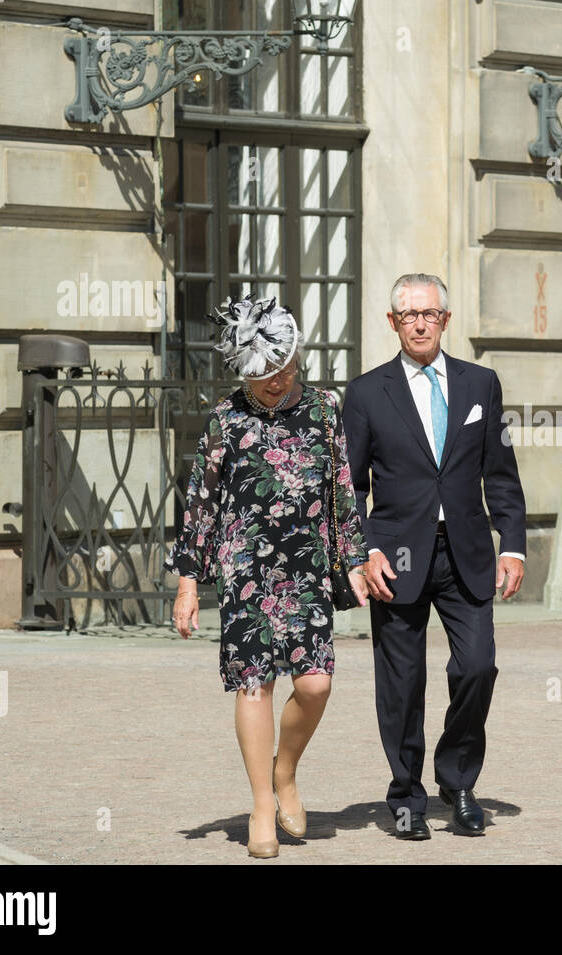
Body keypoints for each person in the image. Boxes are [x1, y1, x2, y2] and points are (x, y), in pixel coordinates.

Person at [167, 295, 370, 859]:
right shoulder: (225, 421)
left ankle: (286, 772)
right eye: (262, 376)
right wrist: (188, 586)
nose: (276, 382)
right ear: (241, 373)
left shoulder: (327, 409)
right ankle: (262, 802)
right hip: (246, 570)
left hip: (305, 568)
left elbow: (342, 492)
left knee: (315, 683)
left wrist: (352, 559)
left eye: (283, 369)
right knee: (253, 683)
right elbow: (201, 505)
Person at [342, 272, 526, 841]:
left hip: (467, 552)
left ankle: (458, 780)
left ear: (445, 320)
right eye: (408, 314)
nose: (419, 322)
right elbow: (350, 485)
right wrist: (362, 549)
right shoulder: (368, 392)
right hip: (393, 556)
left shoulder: (481, 385)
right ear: (392, 323)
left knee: (478, 666)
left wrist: (513, 543)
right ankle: (406, 797)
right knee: (402, 682)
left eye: (429, 313)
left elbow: (500, 472)